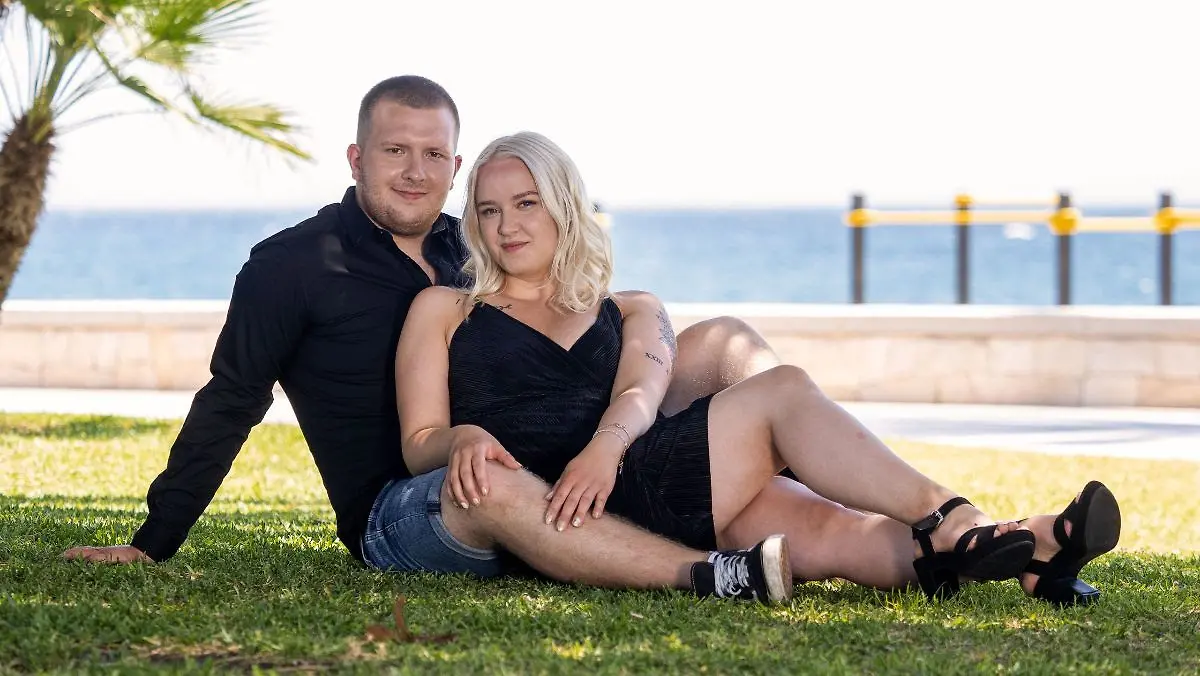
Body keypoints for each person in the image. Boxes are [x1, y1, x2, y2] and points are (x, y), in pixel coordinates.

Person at [61, 75, 796, 604]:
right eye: (395, 151)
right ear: (357, 158)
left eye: (434, 155)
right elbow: (232, 399)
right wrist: (154, 539)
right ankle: (707, 572)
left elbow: (582, 334)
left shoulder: (478, 247)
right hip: (420, 502)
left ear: (456, 165)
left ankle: (799, 494)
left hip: (548, 465)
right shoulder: (291, 266)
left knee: (720, 346)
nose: (416, 173)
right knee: (497, 482)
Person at [395, 130, 1123, 606]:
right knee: (784, 392)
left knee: (834, 534)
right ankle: (961, 519)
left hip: (644, 477)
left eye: (526, 203)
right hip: (550, 512)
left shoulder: (631, 307)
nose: (507, 226)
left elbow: (643, 389)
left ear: (562, 206)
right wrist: (462, 439)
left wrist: (604, 449)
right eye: (487, 211)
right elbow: (419, 441)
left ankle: (1034, 545)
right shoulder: (445, 309)